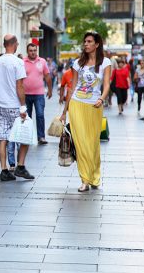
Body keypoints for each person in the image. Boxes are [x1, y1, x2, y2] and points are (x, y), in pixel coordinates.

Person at [60, 31, 111, 192]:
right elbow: (72, 87)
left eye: (89, 42)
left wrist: (101, 98)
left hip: (95, 106)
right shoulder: (77, 63)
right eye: (85, 42)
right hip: (77, 104)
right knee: (81, 143)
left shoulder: (105, 63)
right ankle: (85, 179)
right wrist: (64, 111)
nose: (86, 44)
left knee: (93, 143)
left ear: (97, 44)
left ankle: (95, 176)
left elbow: (107, 85)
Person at [0, 34, 35, 182]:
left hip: (0, 105)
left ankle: (4, 170)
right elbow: (20, 85)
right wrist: (23, 106)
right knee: (25, 134)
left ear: (4, 45)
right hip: (14, 105)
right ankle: (20, 166)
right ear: (15, 44)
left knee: (2, 138)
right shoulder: (18, 62)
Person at [23, 43, 53, 144]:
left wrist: (50, 90)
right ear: (27, 52)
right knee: (27, 116)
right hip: (25, 94)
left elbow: (47, 76)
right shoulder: (22, 62)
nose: (33, 52)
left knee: (40, 115)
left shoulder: (42, 61)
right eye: (31, 50)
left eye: (34, 50)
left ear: (37, 51)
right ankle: (28, 136)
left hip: (39, 94)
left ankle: (41, 137)